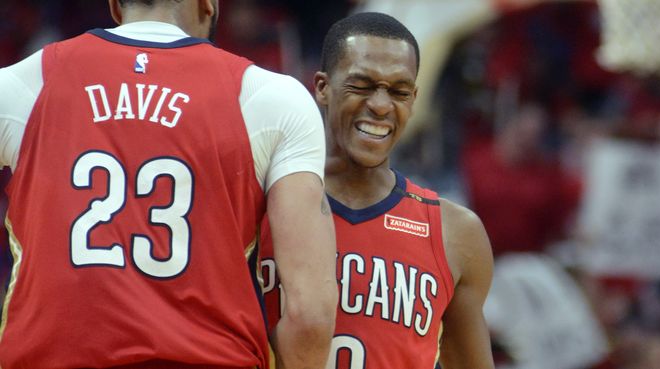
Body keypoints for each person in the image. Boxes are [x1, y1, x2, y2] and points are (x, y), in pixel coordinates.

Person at [0, 1, 338, 368]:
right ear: (208, 5)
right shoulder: (273, 98)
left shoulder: (23, 84)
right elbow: (310, 314)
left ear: (115, 5)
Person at [260, 12, 495, 369]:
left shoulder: (456, 233)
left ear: (414, 99)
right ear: (322, 87)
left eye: (399, 92)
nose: (382, 106)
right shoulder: (255, 203)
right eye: (362, 85)